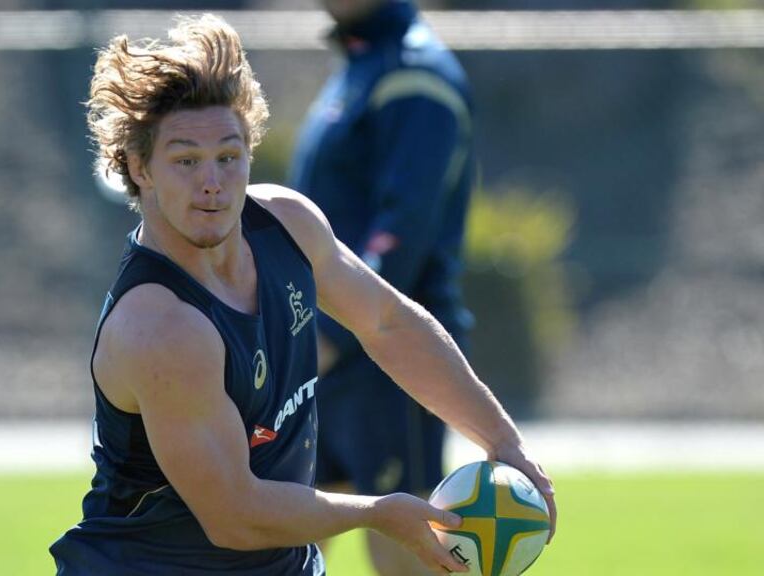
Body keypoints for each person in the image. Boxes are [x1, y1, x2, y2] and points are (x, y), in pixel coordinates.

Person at [51, 14, 553, 576]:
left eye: (229, 155)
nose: (213, 182)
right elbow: (235, 516)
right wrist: (376, 513)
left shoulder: (287, 224)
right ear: (139, 168)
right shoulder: (161, 327)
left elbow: (388, 323)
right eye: (186, 161)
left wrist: (502, 440)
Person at [288, 1, 476, 573]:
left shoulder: (415, 76)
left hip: (388, 364)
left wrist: (326, 334)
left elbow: (403, 229)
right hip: (327, 359)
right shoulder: (361, 65)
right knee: (275, 540)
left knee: (404, 554)